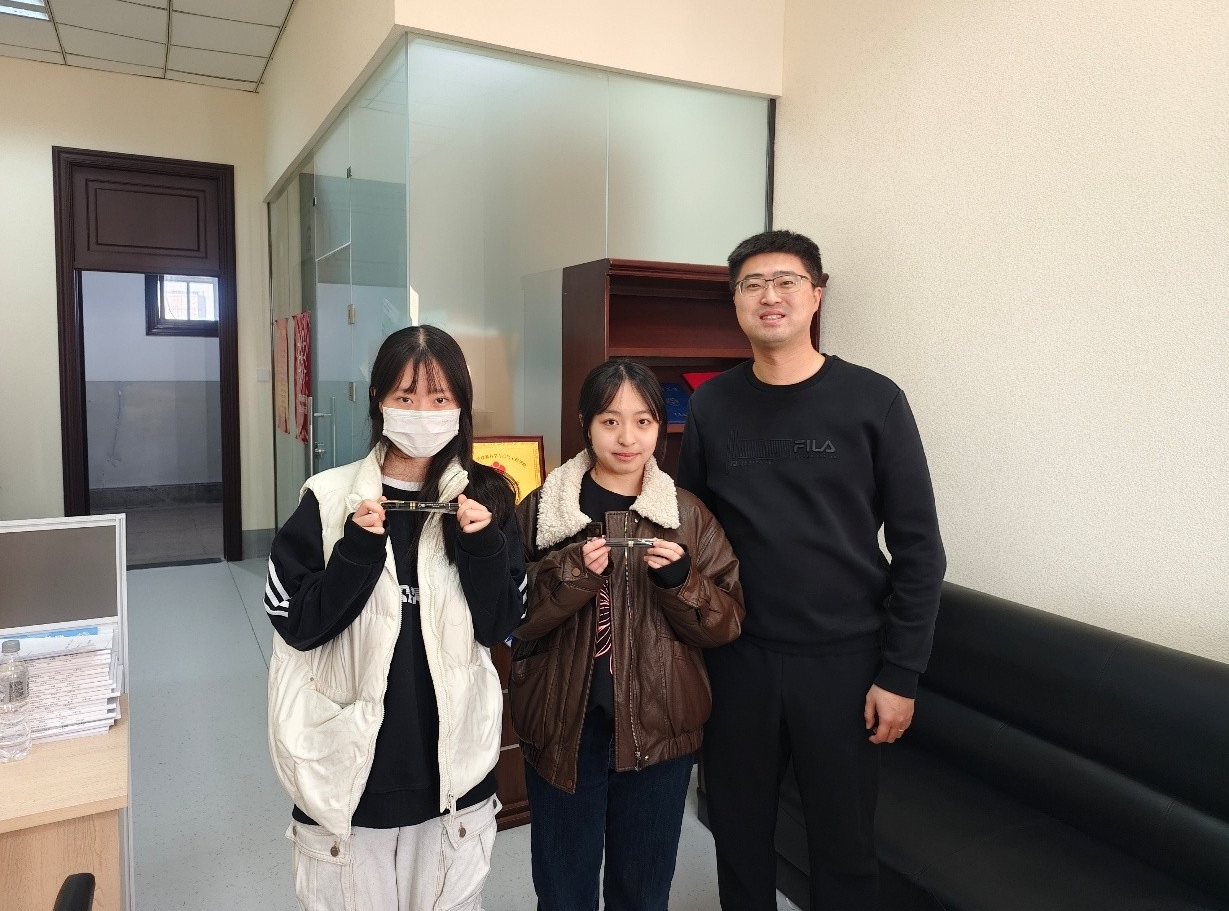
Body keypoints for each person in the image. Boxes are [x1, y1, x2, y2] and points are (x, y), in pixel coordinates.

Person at [677, 230, 947, 910]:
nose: (769, 296)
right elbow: (692, 529)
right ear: (735, 301)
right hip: (737, 658)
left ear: (815, 295)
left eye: (786, 281)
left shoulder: (874, 399)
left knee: (843, 844)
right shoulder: (711, 405)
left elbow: (919, 549)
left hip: (845, 663)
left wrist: (900, 673)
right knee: (737, 831)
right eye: (752, 284)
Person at [264, 325, 526, 911]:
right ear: (378, 400)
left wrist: (483, 548)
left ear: (461, 406)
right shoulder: (327, 499)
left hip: (454, 778)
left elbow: (502, 626)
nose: (423, 414)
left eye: (439, 398)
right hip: (351, 779)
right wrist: (356, 551)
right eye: (406, 397)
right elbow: (296, 623)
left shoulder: (485, 500)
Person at [511, 358, 745, 911]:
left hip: (661, 730)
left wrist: (682, 582)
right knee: (563, 891)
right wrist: (570, 574)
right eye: (610, 421)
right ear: (585, 424)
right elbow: (509, 617)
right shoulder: (545, 509)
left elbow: (727, 622)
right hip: (561, 727)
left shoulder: (688, 516)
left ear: (660, 427)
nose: (627, 438)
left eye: (643, 422)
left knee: (642, 891)